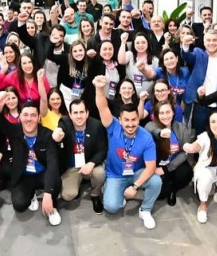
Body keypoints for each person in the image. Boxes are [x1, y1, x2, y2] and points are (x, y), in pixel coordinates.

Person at [93, 75, 162, 229]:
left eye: (134, 120)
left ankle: (145, 210)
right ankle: (110, 189)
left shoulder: (146, 137)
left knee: (156, 181)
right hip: (115, 174)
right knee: (111, 207)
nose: (130, 124)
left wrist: (135, 186)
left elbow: (150, 167)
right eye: (127, 120)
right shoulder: (113, 126)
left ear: (138, 119)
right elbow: (103, 108)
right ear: (120, 119)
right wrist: (99, 89)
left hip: (136, 172)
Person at [0, 92, 62, 221]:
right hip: (24, 175)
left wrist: (48, 194)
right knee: (19, 205)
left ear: (39, 118)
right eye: (25, 115)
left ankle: (53, 207)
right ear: (20, 117)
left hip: (43, 173)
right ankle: (32, 194)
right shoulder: (15, 131)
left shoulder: (48, 135)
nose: (29, 119)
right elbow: (0, 122)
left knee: (56, 182)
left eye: (33, 115)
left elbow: (53, 163)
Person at [53, 99, 108, 214]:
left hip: (90, 163)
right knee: (68, 195)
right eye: (75, 113)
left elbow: (102, 150)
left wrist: (92, 163)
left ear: (87, 113)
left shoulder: (96, 125)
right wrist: (57, 134)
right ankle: (79, 182)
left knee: (100, 173)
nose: (79, 116)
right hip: (72, 167)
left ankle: (95, 194)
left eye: (82, 112)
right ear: (70, 114)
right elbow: (60, 128)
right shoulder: (65, 122)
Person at [183, 111, 217, 222]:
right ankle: (203, 205)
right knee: (205, 179)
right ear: (209, 124)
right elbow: (196, 146)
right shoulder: (204, 137)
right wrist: (190, 147)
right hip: (207, 169)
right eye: (213, 122)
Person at [181, 29, 217, 133]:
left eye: (214, 40)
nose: (211, 43)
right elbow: (187, 56)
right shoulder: (198, 53)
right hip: (198, 104)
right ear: (204, 42)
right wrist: (185, 45)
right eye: (208, 40)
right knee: (197, 135)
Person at [145, 100, 195, 206]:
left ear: (173, 113)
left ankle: (173, 189)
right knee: (160, 195)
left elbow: (184, 153)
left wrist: (166, 169)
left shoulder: (181, 128)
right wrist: (160, 133)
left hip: (174, 164)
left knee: (187, 173)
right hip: (157, 166)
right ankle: (166, 186)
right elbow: (150, 129)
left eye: (168, 112)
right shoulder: (151, 126)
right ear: (157, 115)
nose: (165, 116)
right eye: (162, 113)